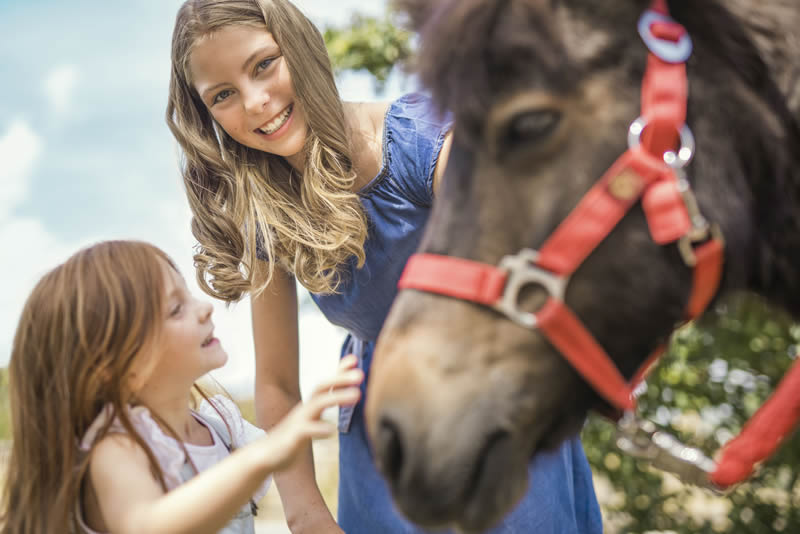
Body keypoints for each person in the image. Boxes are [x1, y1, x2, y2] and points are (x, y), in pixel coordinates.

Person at [166, 1, 603, 533]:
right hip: (374, 434)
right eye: (223, 95)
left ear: (300, 46)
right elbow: (278, 382)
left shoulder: (421, 140)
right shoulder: (265, 213)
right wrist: (306, 515)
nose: (256, 103)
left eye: (264, 64)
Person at [0, 240, 362, 534]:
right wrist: (265, 454)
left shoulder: (221, 427)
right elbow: (147, 526)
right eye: (176, 309)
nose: (204, 308)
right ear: (114, 367)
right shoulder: (118, 445)